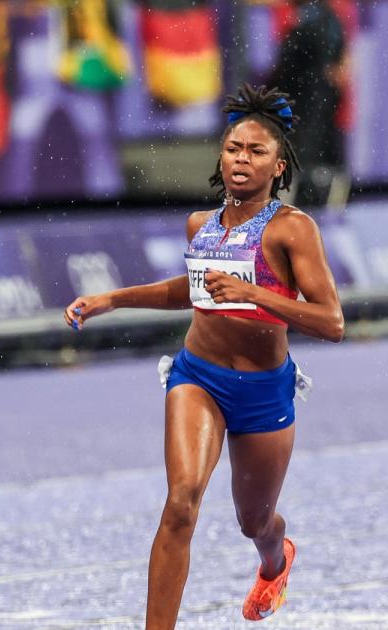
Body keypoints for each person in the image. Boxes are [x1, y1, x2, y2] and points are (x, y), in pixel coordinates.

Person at [65, 84, 343, 628]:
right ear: (221, 157)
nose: (243, 159)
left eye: (256, 152)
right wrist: (111, 300)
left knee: (254, 521)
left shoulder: (293, 229)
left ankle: (274, 558)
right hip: (199, 379)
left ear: (278, 167)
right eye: (234, 148)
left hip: (264, 393)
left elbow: (331, 321)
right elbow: (189, 291)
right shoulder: (201, 225)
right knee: (181, 502)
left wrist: (256, 294)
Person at [268, 0, 346, 208]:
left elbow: (326, 59)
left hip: (310, 100)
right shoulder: (318, 16)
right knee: (311, 157)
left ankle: (317, 205)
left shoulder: (316, 17)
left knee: (311, 157)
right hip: (310, 99)